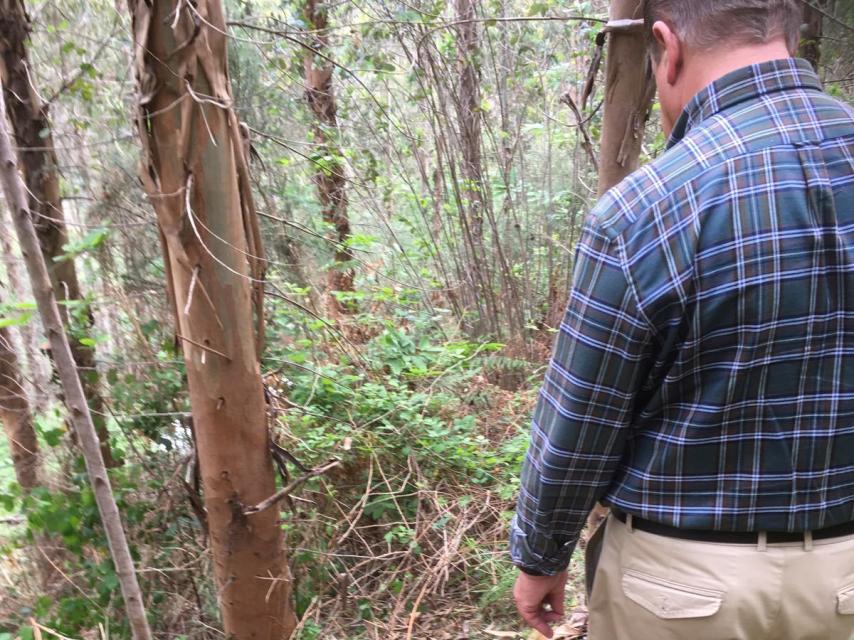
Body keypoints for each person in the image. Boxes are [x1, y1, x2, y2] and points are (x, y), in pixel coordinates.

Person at [509, 1, 854, 638]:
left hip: (681, 591)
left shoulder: (647, 208)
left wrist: (540, 555)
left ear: (668, 48)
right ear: (788, 29)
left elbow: (581, 421)